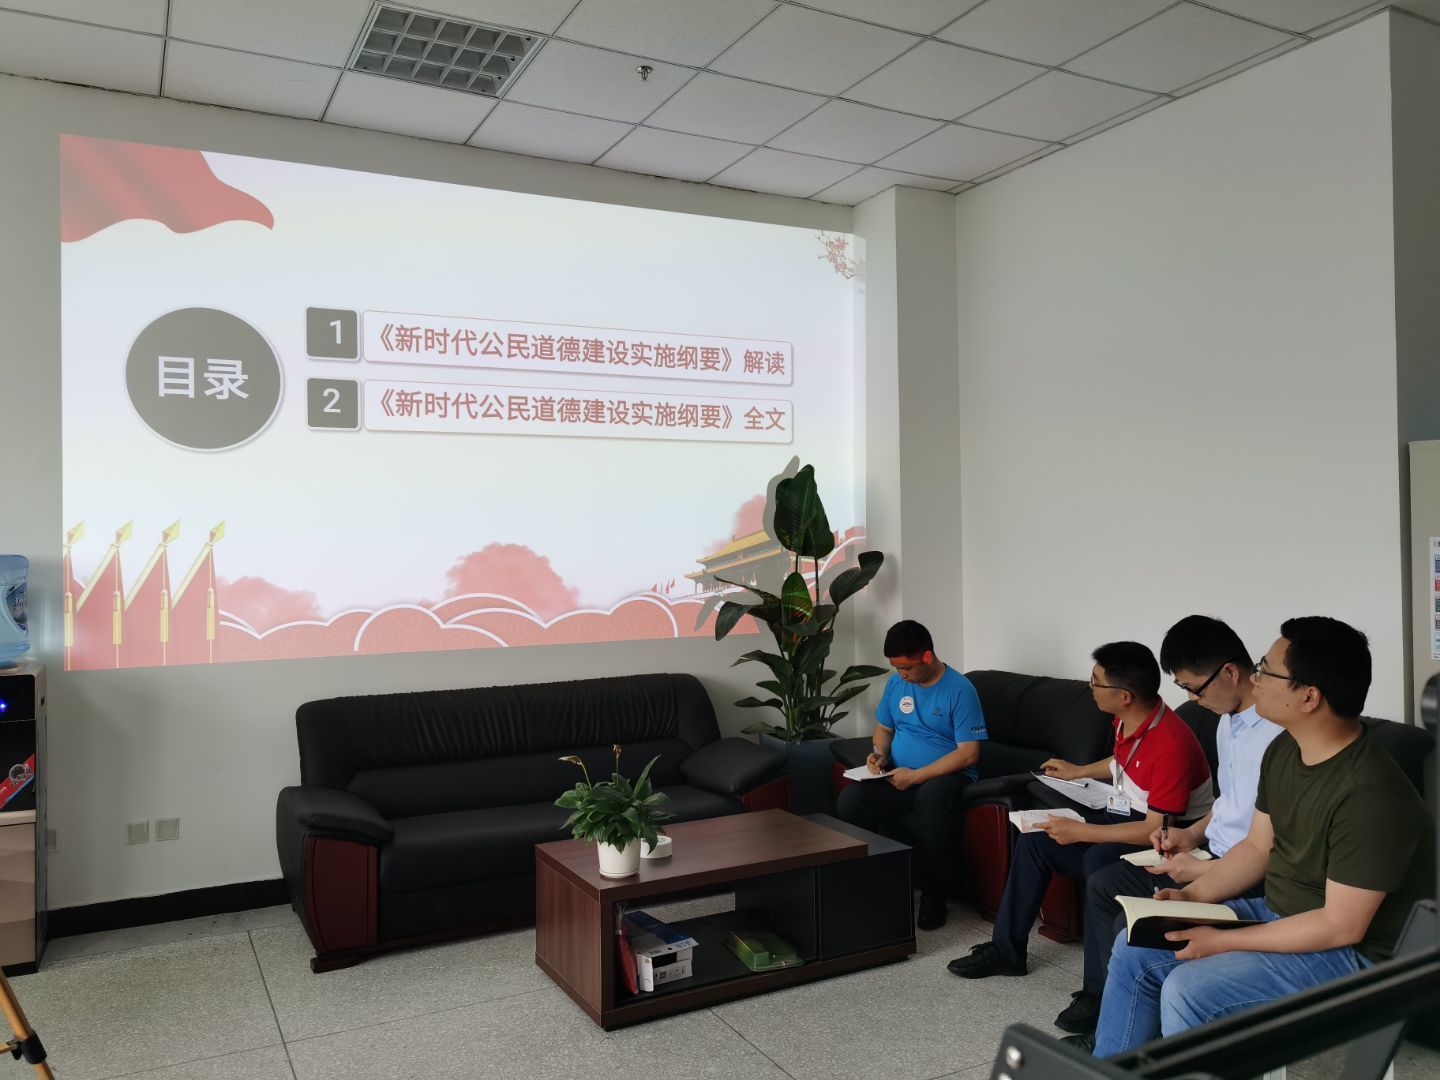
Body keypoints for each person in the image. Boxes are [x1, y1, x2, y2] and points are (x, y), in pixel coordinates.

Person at [1092, 617, 1436, 1055]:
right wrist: (1191, 898)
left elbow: (1341, 926)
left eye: (1266, 671)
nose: (1254, 680)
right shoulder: (1285, 749)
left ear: (1309, 696)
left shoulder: (1371, 794)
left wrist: (1224, 940)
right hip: (1284, 913)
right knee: (1136, 947)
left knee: (1189, 989)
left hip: (1361, 955)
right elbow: (1257, 847)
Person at [1057, 616, 1282, 1048]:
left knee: (1134, 922)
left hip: (1243, 872)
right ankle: (1105, 1010)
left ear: (1230, 672)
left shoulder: (1275, 736)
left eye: (1194, 688)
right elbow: (1228, 804)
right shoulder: (1227, 721)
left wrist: (1201, 874)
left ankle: (1128, 1032)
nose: (1192, 700)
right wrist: (1191, 836)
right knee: (1104, 885)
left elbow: (1263, 844)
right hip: (1209, 853)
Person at [947, 641, 1214, 980]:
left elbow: (1156, 828)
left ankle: (1096, 989)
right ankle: (1006, 951)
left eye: (1096, 682)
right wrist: (1078, 771)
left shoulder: (1170, 744)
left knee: (1096, 860)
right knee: (1036, 841)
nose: (1090, 688)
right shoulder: (1129, 719)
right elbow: (1125, 762)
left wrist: (1083, 832)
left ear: (1125, 696)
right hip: (1130, 816)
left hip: (1167, 838)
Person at [836, 620, 987, 930]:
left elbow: (969, 753)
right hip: (898, 775)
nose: (901, 675)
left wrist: (917, 776)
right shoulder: (897, 684)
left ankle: (934, 895)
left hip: (946, 777)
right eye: (896, 668)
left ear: (927, 657)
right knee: (850, 801)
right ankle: (879, 882)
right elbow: (884, 729)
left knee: (932, 798)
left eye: (906, 668)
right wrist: (879, 754)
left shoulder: (960, 690)